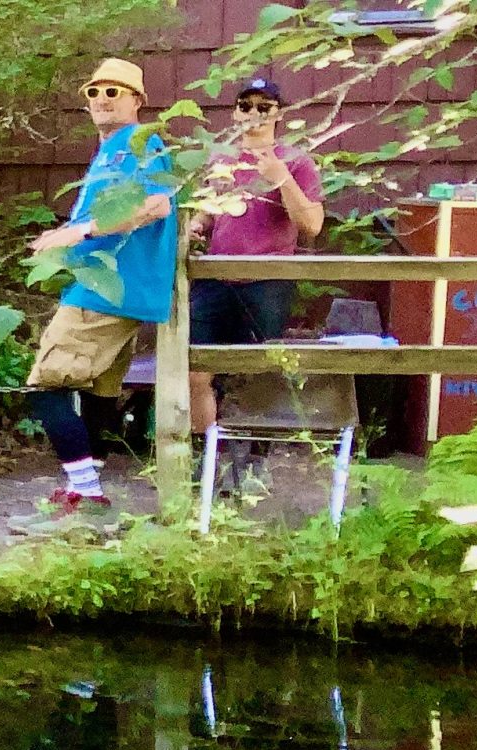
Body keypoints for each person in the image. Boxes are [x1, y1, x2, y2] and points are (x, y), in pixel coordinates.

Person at [10, 58, 180, 536]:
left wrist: (80, 231)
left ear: (137, 101)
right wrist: (63, 236)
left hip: (107, 290)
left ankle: (85, 492)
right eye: (95, 92)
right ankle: (90, 490)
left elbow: (154, 205)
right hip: (115, 288)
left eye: (115, 92)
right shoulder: (110, 149)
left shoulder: (137, 144)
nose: (103, 100)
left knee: (46, 387)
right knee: (100, 390)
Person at [191, 77, 322, 462]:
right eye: (246, 105)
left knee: (261, 371)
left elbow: (311, 226)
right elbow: (209, 215)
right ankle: (208, 455)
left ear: (278, 113)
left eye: (264, 106)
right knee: (197, 368)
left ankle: (253, 460)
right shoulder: (221, 160)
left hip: (267, 281)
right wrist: (197, 225)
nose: (254, 114)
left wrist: (280, 178)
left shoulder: (296, 161)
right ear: (235, 112)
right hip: (215, 278)